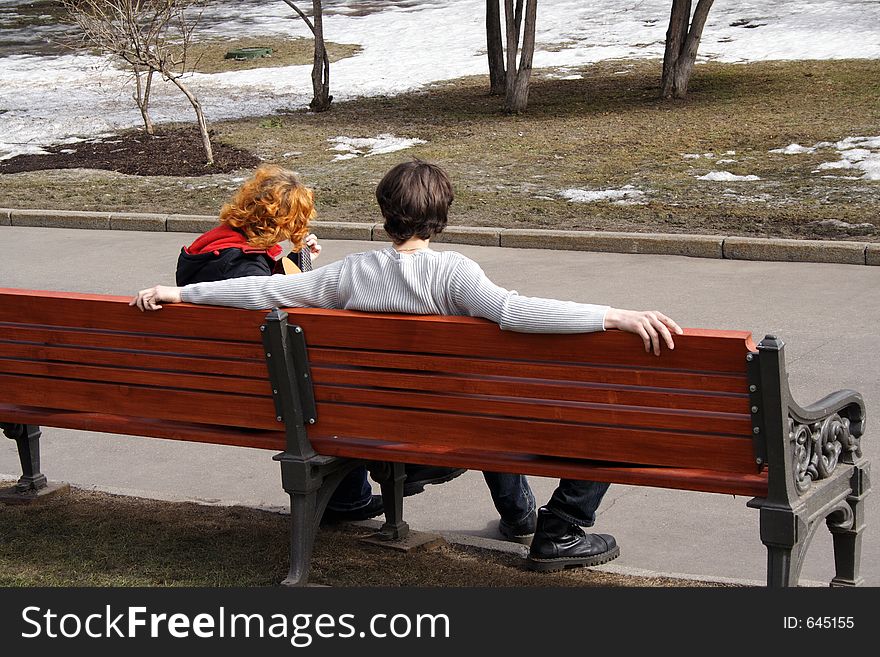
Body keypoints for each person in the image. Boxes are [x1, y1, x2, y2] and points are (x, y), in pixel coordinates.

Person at [132, 159, 682, 571]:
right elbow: (516, 312)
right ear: (440, 218)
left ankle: (520, 518)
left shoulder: (348, 275)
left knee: (479, 402)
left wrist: (180, 294)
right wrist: (614, 314)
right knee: (603, 421)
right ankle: (558, 533)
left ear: (384, 212)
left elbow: (261, 290)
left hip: (371, 428)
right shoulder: (455, 274)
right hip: (456, 427)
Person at [172, 163, 463, 524]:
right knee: (327, 382)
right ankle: (355, 496)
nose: (301, 231)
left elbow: (274, 290)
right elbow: (289, 318)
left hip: (234, 381)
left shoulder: (214, 249)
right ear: (279, 222)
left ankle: (350, 496)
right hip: (261, 394)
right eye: (297, 223)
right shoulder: (244, 269)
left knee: (324, 382)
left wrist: (291, 256)